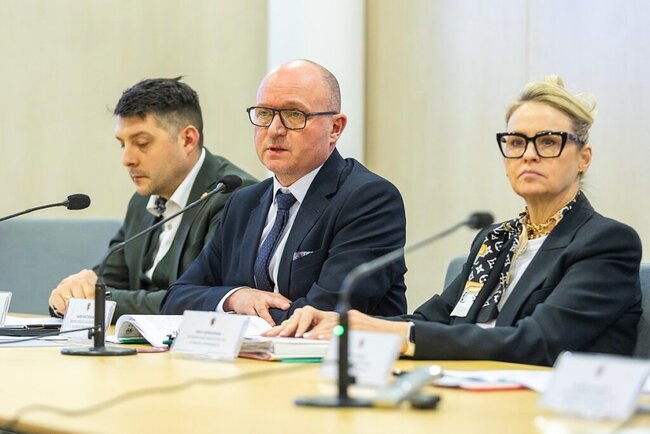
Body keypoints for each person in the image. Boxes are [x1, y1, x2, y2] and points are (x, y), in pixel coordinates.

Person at [265, 75, 643, 367]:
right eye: (516, 142)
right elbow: (436, 318)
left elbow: (538, 342)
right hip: (470, 394)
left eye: (548, 142)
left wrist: (395, 333)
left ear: (583, 158)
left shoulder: (606, 243)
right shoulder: (496, 239)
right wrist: (341, 322)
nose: (528, 155)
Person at [160, 60, 407, 325]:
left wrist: (238, 318)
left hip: (334, 352)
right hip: (254, 351)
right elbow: (177, 298)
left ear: (335, 128)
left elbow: (323, 313)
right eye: (264, 114)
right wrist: (235, 298)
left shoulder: (369, 199)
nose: (274, 130)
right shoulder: (243, 202)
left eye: (294, 115)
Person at [48, 77, 257, 318]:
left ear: (188, 140)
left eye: (142, 143)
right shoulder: (142, 200)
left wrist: (99, 301)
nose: (127, 159)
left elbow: (203, 298)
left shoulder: (233, 196)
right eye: (123, 144)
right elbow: (109, 278)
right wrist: (72, 293)